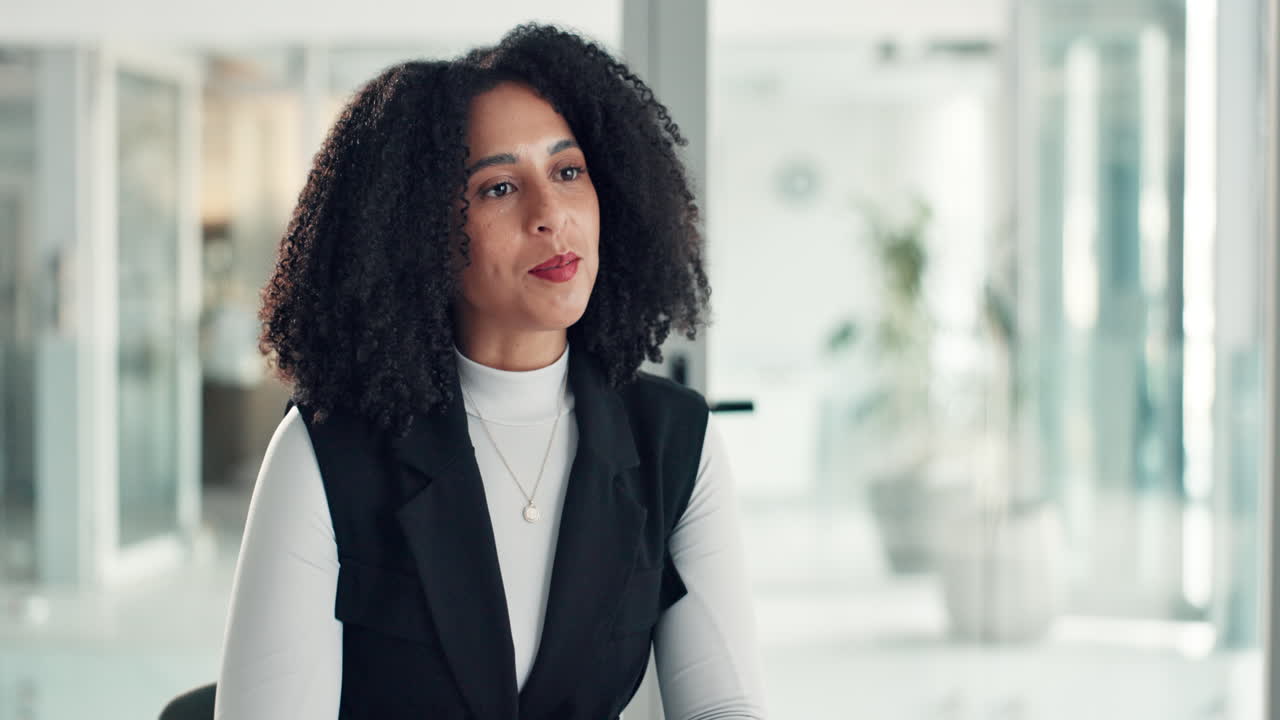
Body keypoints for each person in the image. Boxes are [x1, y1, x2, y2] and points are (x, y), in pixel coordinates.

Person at [214, 23, 766, 720]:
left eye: (568, 172)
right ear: (418, 231)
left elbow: (725, 706)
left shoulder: (673, 440)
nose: (551, 215)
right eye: (499, 187)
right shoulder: (326, 450)